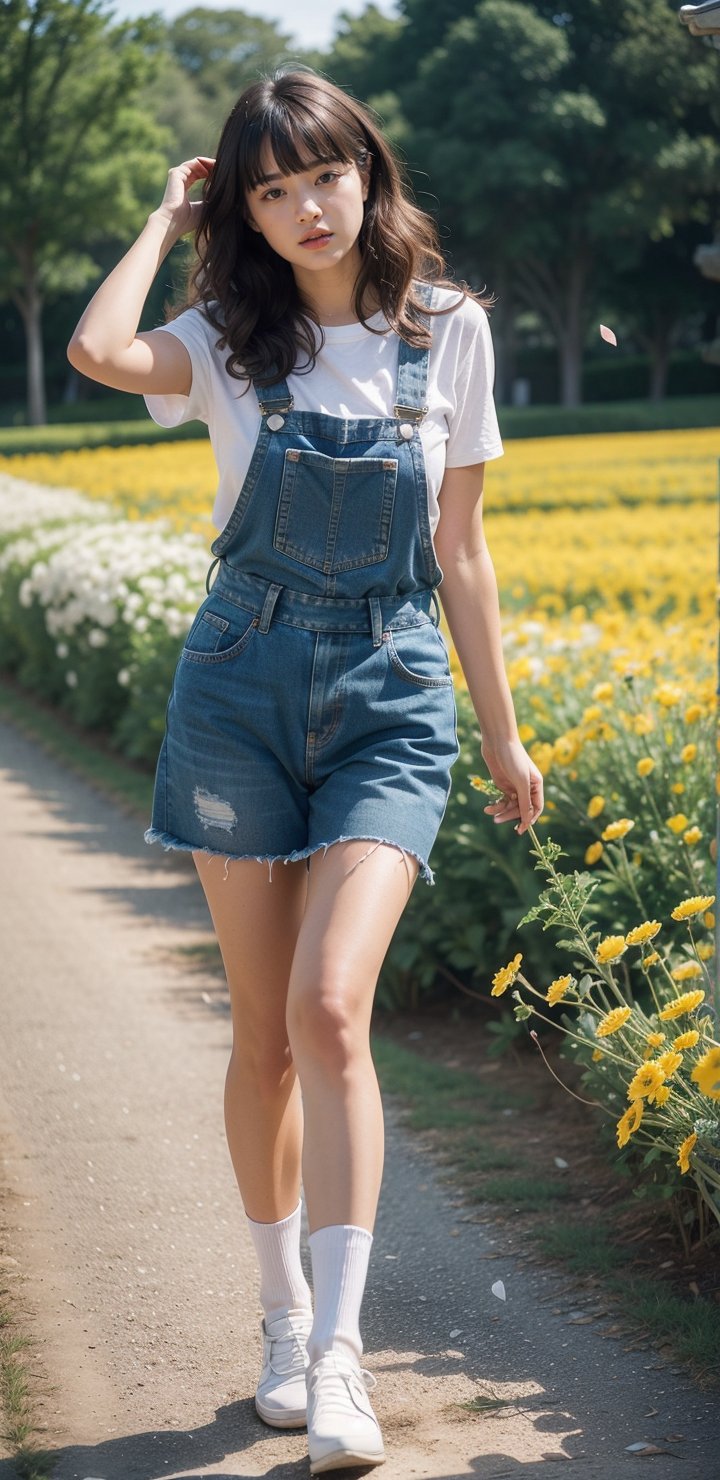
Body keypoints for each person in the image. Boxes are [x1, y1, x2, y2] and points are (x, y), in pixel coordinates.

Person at [67, 66, 544, 1475]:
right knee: (264, 1038)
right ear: (248, 211)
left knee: (332, 1011)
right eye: (268, 189)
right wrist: (165, 217)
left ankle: (341, 1359)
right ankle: (279, 1319)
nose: (303, 208)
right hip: (240, 698)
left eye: (321, 175)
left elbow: (460, 550)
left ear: (367, 172)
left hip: (394, 696)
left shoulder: (449, 334)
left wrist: (502, 729)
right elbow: (99, 352)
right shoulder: (225, 337)